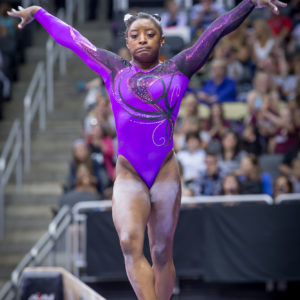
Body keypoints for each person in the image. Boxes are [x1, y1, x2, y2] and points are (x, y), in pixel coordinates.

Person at [8, 0, 287, 299]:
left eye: (150, 34)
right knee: (129, 242)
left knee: (161, 251)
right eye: (136, 34)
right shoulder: (113, 69)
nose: (142, 39)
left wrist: (248, 4)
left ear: (161, 39)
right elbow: (75, 40)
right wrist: (39, 12)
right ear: (126, 41)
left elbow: (214, 32)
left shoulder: (180, 67)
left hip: (165, 170)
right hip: (129, 170)